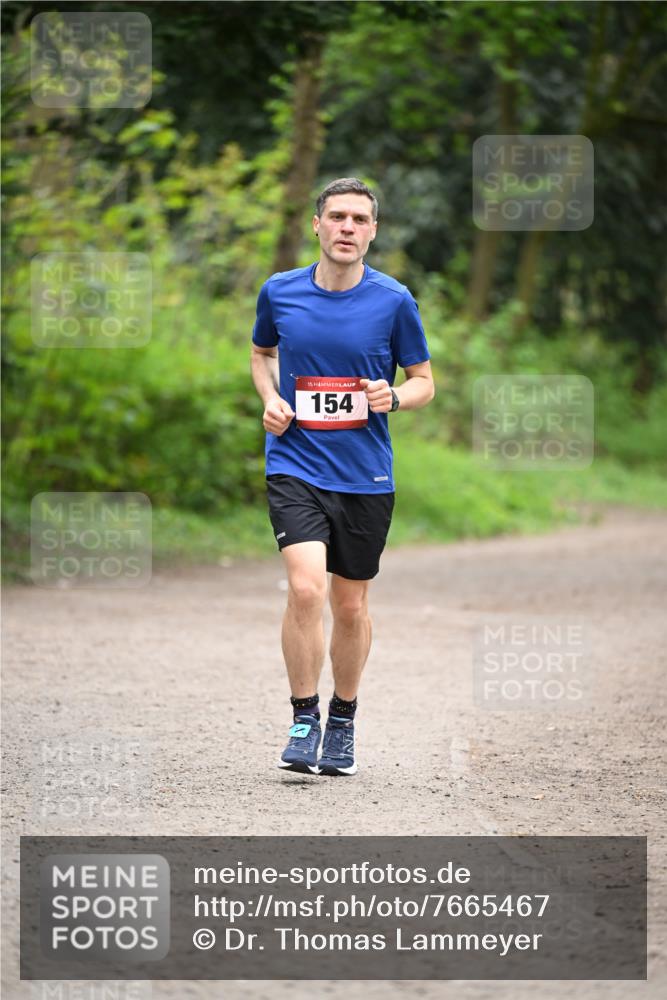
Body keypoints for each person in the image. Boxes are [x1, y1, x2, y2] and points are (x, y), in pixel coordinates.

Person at [250, 177, 434, 776]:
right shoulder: (279, 293)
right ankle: (304, 718)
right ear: (318, 225)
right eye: (337, 217)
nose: (348, 228)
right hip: (295, 463)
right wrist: (272, 398)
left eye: (359, 219)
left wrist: (395, 399)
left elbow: (424, 381)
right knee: (305, 589)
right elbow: (262, 354)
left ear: (373, 231)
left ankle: (344, 720)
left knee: (349, 606)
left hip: (364, 476)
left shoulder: (393, 300)